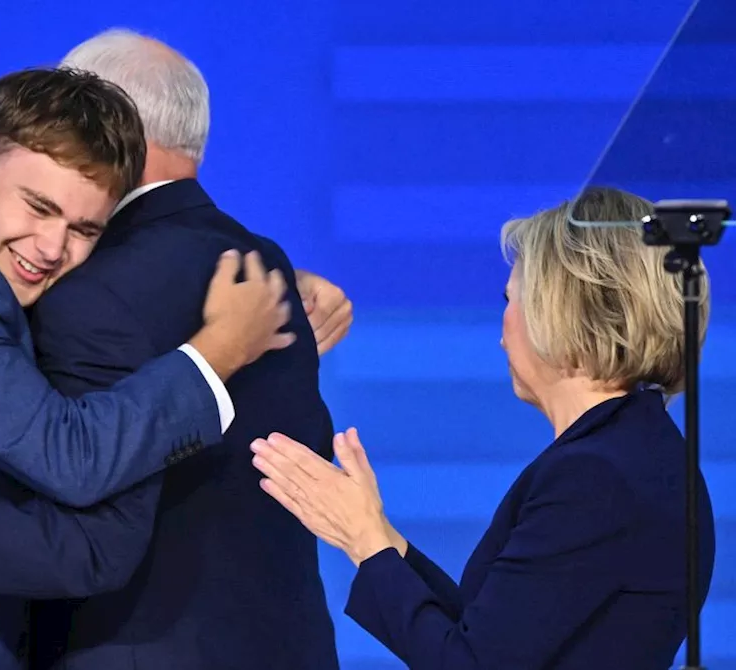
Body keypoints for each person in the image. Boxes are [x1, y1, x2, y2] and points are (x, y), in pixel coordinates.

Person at [0, 30, 347, 670]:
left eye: (82, 227)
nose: (52, 248)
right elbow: (72, 457)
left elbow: (93, 534)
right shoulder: (253, 268)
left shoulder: (87, 285)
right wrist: (215, 351)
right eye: (39, 206)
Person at [251, 186, 717, 668]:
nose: (503, 327)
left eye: (511, 298)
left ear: (562, 308)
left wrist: (363, 540)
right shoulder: (634, 453)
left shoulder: (598, 477)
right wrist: (380, 538)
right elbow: (492, 635)